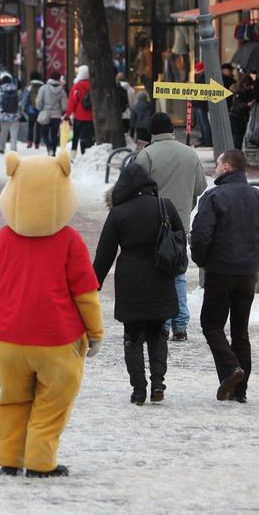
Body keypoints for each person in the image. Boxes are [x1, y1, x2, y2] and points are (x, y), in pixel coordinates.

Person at [0, 151, 104, 478]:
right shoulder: (69, 241)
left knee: (12, 400)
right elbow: (85, 295)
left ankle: (9, 458)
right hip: (57, 339)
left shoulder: (2, 240)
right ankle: (39, 460)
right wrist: (95, 333)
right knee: (52, 404)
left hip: (8, 339)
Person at [190, 149, 259, 403]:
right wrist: (254, 261)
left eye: (218, 164)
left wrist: (203, 261)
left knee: (211, 324)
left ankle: (231, 369)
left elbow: (200, 235)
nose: (215, 168)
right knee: (241, 331)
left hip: (220, 271)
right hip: (246, 274)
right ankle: (239, 390)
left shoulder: (214, 197)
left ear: (227, 167)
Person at [93, 164, 182, 404]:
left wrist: (94, 283)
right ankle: (158, 385)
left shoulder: (119, 213)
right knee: (157, 333)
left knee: (132, 336)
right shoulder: (165, 206)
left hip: (129, 280)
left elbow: (105, 253)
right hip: (160, 277)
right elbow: (180, 238)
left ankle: (138, 389)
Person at [133, 112, 207, 342]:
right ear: (172, 131)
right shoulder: (190, 154)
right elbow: (200, 187)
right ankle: (181, 323)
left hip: (152, 223)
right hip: (180, 225)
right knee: (178, 273)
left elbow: (135, 188)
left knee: (157, 274)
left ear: (152, 134)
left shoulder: (146, 155)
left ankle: (162, 323)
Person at [35, 72, 67, 156]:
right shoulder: (62, 91)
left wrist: (40, 109)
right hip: (57, 116)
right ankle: (54, 152)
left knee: (44, 134)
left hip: (45, 114)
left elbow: (38, 102)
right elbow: (64, 106)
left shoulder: (43, 88)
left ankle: (49, 148)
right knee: (54, 134)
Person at [64, 65, 94, 154]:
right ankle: (86, 153)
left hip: (79, 116)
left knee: (76, 136)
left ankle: (73, 155)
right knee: (88, 137)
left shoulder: (76, 87)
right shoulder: (93, 86)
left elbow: (72, 102)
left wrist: (67, 114)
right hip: (90, 116)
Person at [0, 74, 21, 153]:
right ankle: (13, 148)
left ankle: (1, 148)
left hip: (4, 115)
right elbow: (19, 102)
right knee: (14, 133)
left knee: (3, 132)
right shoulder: (15, 89)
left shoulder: (0, 90)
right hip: (14, 114)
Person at [192, 62, 212, 147]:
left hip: (201, 104)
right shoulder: (203, 78)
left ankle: (207, 141)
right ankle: (204, 139)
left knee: (204, 123)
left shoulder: (204, 79)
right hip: (199, 104)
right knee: (202, 123)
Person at [22, 71, 44, 149]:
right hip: (40, 110)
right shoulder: (43, 86)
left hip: (31, 110)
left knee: (30, 126)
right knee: (38, 127)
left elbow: (25, 98)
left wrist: (24, 108)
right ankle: (37, 143)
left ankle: (29, 142)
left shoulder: (29, 86)